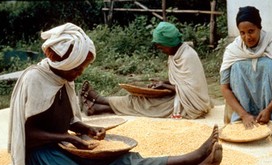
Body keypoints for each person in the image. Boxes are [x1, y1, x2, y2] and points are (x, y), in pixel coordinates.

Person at [6, 22, 223, 165]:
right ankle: (193, 157)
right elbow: (29, 134)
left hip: (62, 146)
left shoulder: (62, 79)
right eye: (77, 69)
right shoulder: (36, 80)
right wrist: (68, 138)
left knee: (122, 159)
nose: (80, 74)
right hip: (44, 161)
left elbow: (66, 120)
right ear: (64, 63)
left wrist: (85, 129)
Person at [80, 21, 213, 119]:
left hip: (189, 105)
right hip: (181, 96)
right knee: (138, 100)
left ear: (169, 43)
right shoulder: (176, 54)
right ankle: (96, 109)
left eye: (161, 47)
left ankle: (98, 99)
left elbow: (193, 91)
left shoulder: (188, 56)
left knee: (140, 103)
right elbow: (181, 81)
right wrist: (163, 82)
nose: (161, 50)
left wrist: (165, 85)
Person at [220, 6, 272, 134]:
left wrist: (269, 109)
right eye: (242, 33)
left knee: (269, 65)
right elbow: (224, 87)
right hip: (243, 111)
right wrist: (243, 115)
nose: (247, 37)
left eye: (251, 31)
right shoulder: (233, 50)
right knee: (237, 67)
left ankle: (270, 114)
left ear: (259, 27)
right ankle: (248, 116)